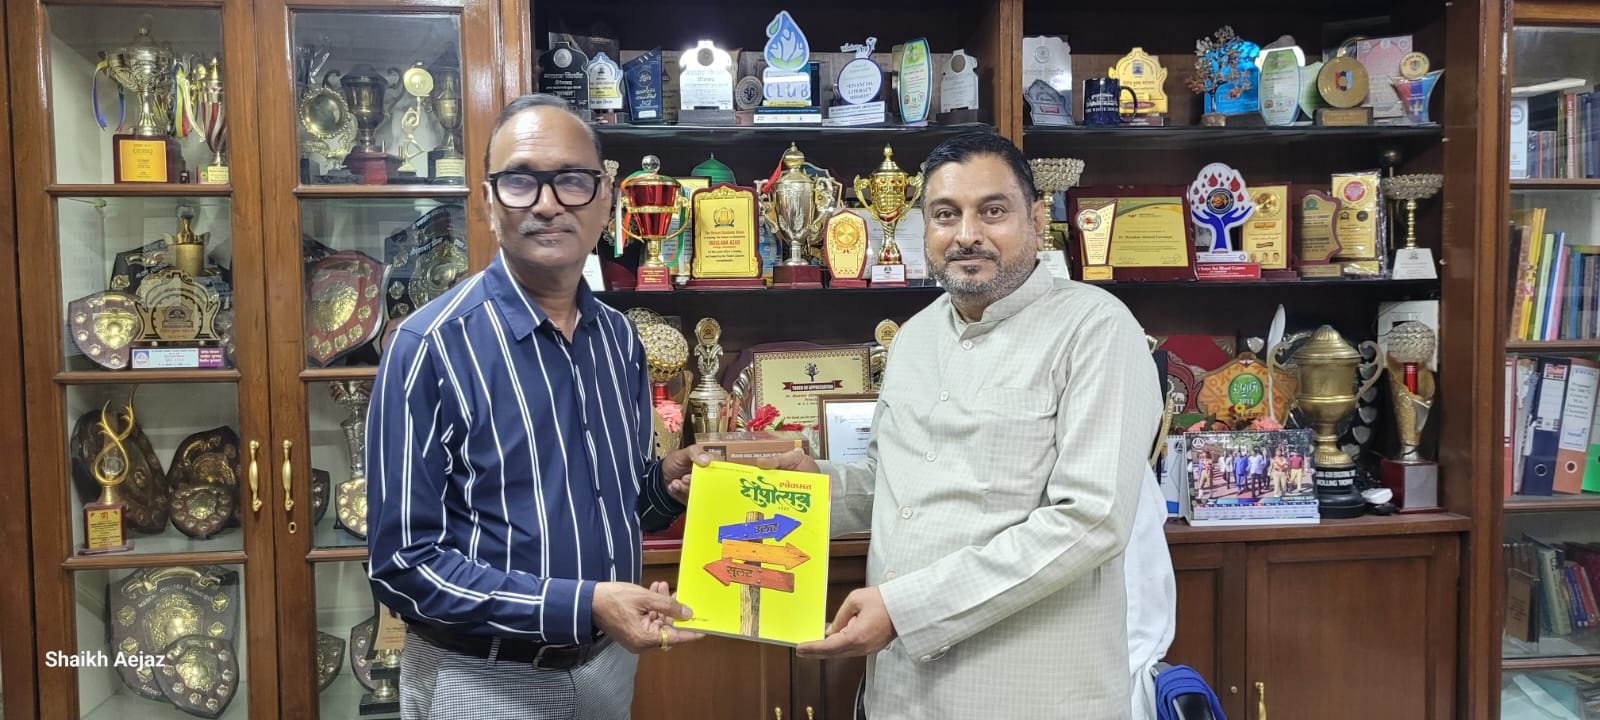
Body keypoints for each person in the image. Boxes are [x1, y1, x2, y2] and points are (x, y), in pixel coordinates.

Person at [681, 132, 1171, 718]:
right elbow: (893, 485)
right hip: (900, 693)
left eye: (993, 211)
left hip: (1024, 696)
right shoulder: (914, 338)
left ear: (1037, 219)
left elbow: (1089, 521)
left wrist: (906, 609)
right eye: (946, 214)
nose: (967, 234)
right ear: (924, 228)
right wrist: (808, 484)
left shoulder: (1096, 330)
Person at [365, 94, 700, 720]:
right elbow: (404, 567)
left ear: (606, 196)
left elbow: (616, 503)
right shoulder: (430, 347)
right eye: (521, 181)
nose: (547, 203)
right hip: (481, 682)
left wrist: (667, 486)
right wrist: (581, 605)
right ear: (490, 201)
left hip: (608, 667)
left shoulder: (618, 338)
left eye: (572, 180)